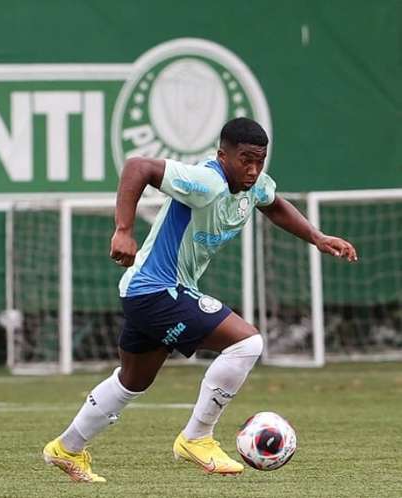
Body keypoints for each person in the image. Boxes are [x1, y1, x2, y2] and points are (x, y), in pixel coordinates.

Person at [42, 117, 357, 481]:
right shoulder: (207, 181)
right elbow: (137, 166)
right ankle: (197, 437)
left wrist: (317, 237)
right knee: (247, 342)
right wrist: (124, 231)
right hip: (158, 290)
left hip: (149, 293)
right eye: (245, 160)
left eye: (260, 160)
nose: (253, 169)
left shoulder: (252, 186)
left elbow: (272, 204)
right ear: (223, 155)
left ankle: (66, 449)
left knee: (132, 380)